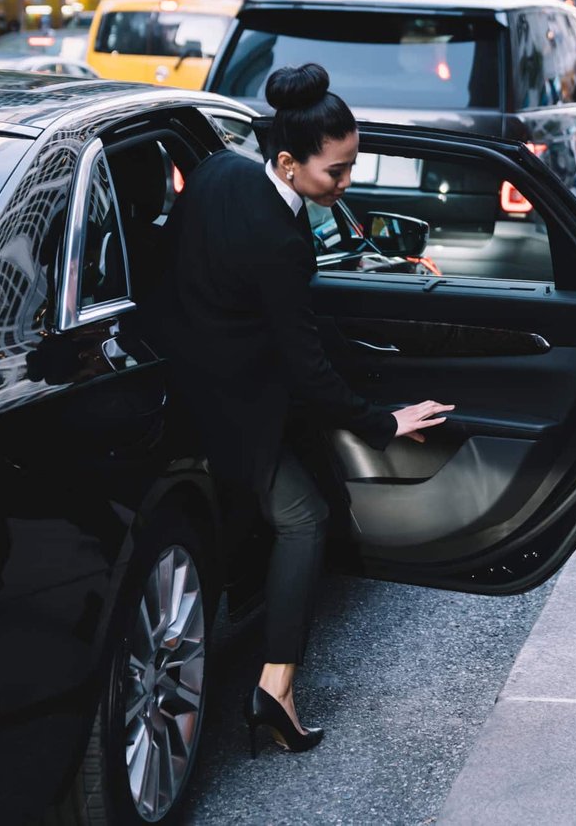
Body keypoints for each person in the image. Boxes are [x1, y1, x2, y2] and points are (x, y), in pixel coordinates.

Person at [143, 63, 452, 755]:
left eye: (351, 166)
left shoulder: (220, 171)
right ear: (288, 162)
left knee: (307, 498)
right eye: (336, 171)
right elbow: (307, 369)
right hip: (230, 406)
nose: (346, 184)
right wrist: (384, 422)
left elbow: (211, 282)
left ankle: (271, 676)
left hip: (174, 376)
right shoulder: (282, 243)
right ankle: (275, 688)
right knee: (304, 517)